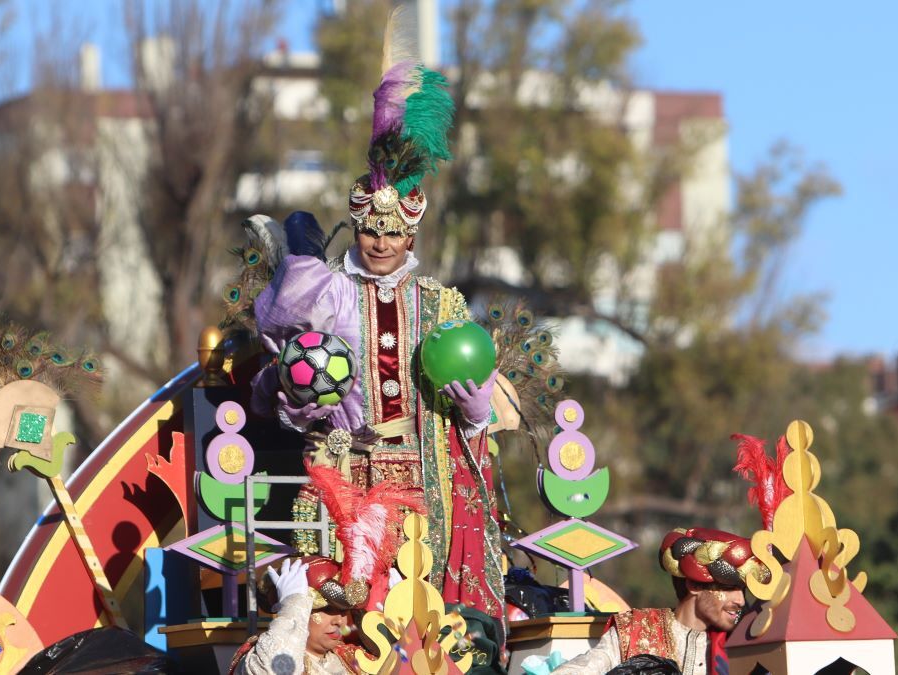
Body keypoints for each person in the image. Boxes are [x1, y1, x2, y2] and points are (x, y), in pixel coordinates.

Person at [249, 12, 504, 627]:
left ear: (410, 232)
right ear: (358, 228)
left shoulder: (442, 305)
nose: (381, 243)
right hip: (346, 475)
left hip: (430, 487)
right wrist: (302, 400)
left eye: (393, 232)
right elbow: (276, 384)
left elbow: (472, 414)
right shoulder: (326, 293)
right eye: (370, 230)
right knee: (351, 620)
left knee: (429, 625)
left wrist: (476, 416)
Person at [551, 528, 770, 675]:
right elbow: (584, 668)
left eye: (742, 591)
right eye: (730, 589)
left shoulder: (742, 645)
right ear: (694, 586)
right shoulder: (636, 629)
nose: (741, 600)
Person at [230, 557, 359, 675]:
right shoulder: (261, 655)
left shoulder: (351, 659)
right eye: (327, 609)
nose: (339, 621)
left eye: (344, 611)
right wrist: (293, 605)